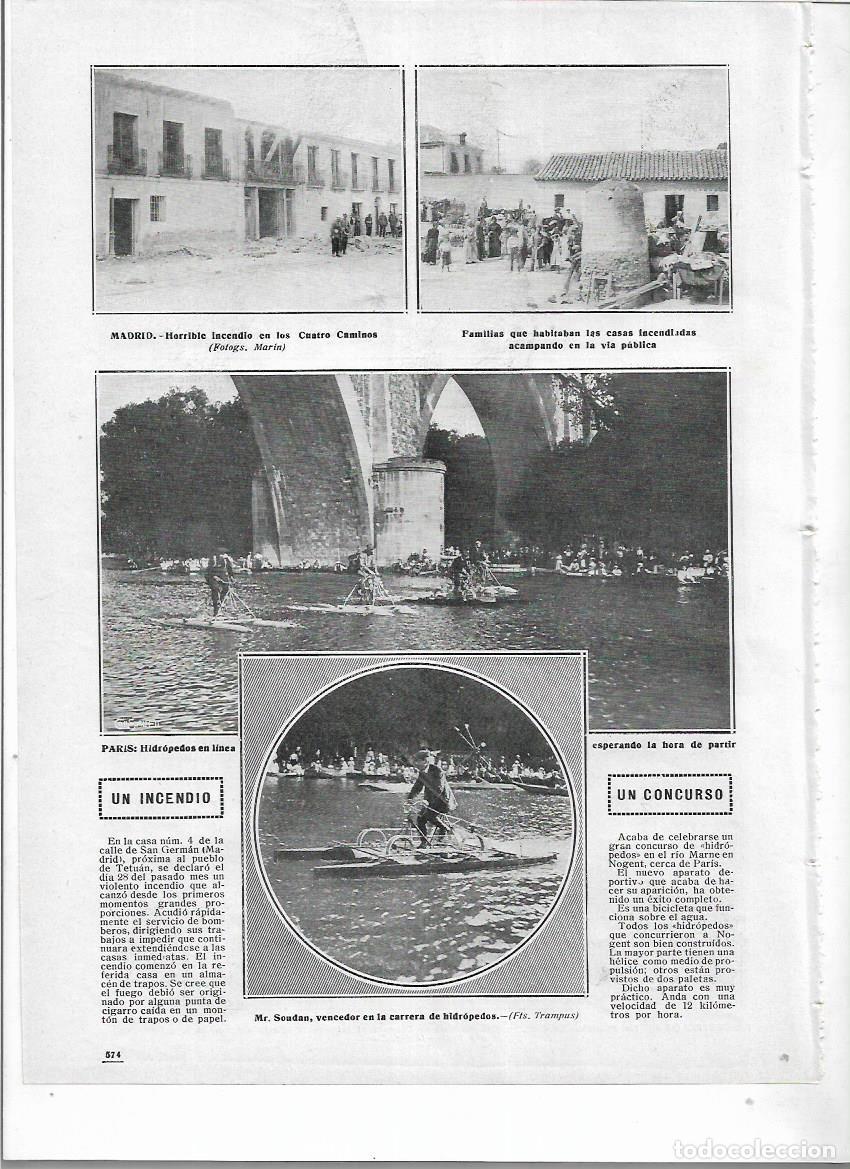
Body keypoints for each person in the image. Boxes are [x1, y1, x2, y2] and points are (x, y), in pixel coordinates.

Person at [407, 748, 457, 847]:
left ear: (425, 761)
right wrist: (410, 799)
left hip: (443, 801)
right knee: (420, 819)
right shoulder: (422, 773)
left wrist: (427, 801)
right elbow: (417, 787)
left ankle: (445, 829)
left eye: (417, 761)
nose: (415, 763)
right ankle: (424, 842)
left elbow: (439, 789)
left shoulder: (437, 771)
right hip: (430, 801)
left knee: (430, 816)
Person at [205, 547, 234, 617]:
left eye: (224, 554)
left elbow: (229, 569)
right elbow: (208, 571)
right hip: (212, 576)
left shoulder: (227, 560)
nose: (223, 555)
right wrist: (213, 576)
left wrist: (231, 576)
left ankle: (221, 603)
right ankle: (216, 608)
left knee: (226, 588)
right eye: (222, 554)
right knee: (215, 589)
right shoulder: (213, 559)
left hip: (222, 575)